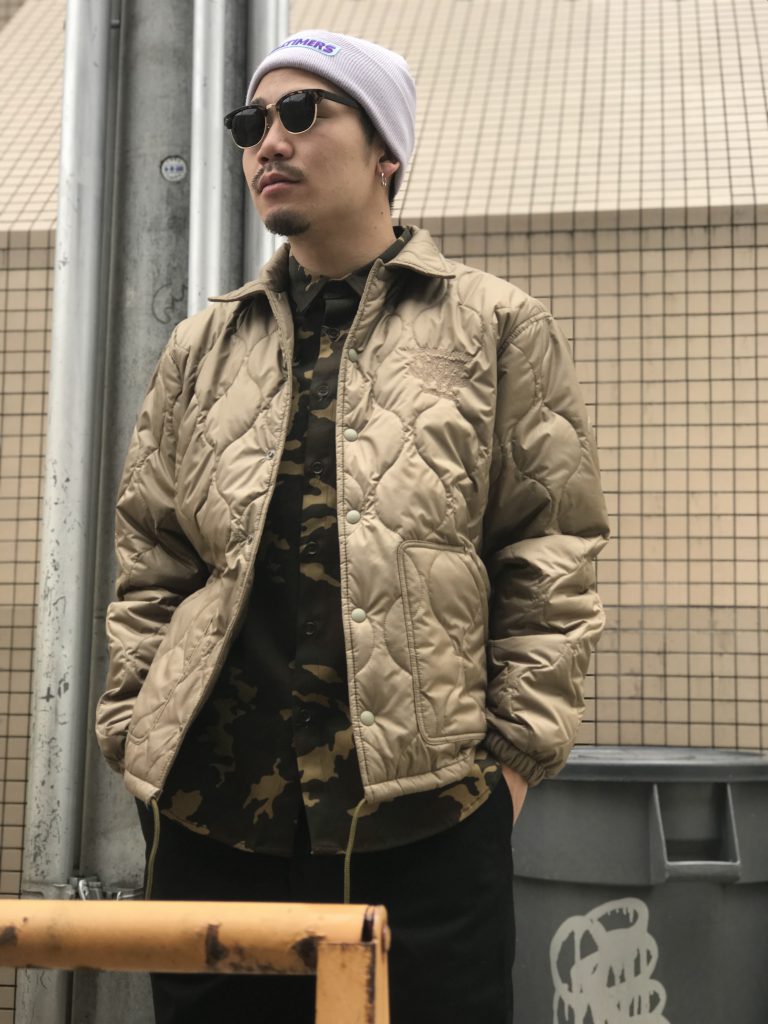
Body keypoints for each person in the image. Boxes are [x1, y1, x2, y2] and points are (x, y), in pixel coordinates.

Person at [96, 27, 608, 1024]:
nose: (268, 141)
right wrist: (131, 730)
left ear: (386, 153)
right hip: (212, 817)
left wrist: (508, 769)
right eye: (251, 122)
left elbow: (552, 553)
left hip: (425, 823)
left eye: (302, 111)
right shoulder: (203, 345)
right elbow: (152, 558)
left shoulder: (496, 326)